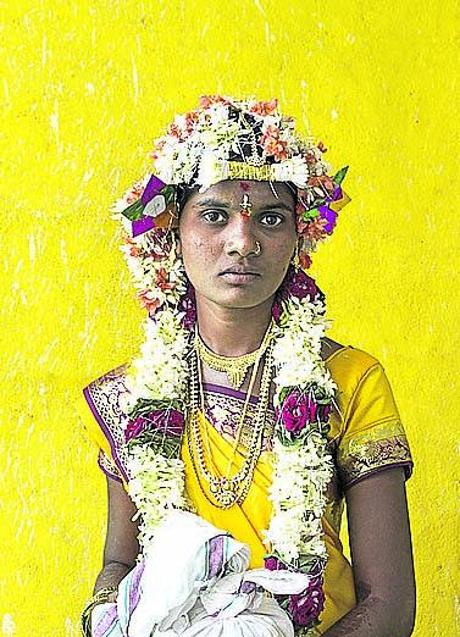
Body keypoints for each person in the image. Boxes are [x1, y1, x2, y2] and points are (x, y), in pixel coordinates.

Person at [78, 95, 416, 636]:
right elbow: (120, 564)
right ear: (172, 233)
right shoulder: (129, 398)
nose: (243, 241)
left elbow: (390, 602)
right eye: (214, 216)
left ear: (298, 237)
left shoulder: (350, 381)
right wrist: (107, 618)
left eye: (271, 218)